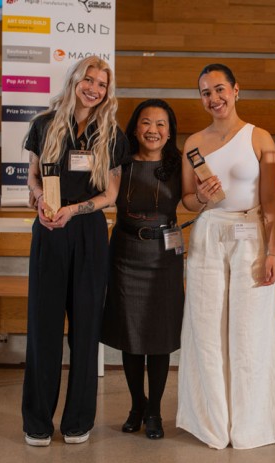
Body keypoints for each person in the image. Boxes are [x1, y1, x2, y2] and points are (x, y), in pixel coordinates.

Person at [176, 63, 275, 449]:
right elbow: (188, 201)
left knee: (250, 329)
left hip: (251, 235)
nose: (214, 98)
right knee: (205, 330)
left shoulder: (261, 138)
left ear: (236, 90)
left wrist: (272, 251)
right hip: (209, 235)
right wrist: (201, 198)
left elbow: (272, 200)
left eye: (220, 89)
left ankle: (252, 424)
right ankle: (211, 421)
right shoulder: (192, 143)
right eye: (206, 92)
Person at [22, 56, 131, 447]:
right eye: (89, 79)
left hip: (87, 231)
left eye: (101, 84)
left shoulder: (111, 134)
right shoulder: (44, 125)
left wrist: (74, 209)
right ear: (75, 80)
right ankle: (36, 421)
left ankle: (78, 420)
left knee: (85, 330)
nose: (94, 88)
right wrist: (39, 200)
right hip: (49, 229)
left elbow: (111, 194)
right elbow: (33, 177)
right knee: (43, 327)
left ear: (107, 91)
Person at [101, 99, 184, 440]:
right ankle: (137, 404)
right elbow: (105, 196)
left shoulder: (180, 164)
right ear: (135, 128)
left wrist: (207, 198)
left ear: (169, 132)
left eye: (161, 124)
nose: (153, 130)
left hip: (165, 255)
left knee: (159, 336)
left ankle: (154, 411)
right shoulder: (120, 162)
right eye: (146, 123)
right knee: (131, 334)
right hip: (125, 252)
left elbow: (192, 200)